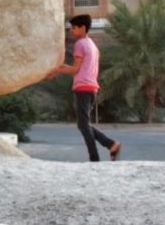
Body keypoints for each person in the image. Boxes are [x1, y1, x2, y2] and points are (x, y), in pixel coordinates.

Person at [47, 14, 122, 162]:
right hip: (91, 87)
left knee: (83, 124)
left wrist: (59, 70)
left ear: (83, 28)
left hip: (83, 87)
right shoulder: (92, 45)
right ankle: (111, 145)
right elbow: (81, 68)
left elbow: (75, 69)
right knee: (83, 124)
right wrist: (59, 69)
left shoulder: (80, 44)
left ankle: (95, 157)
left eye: (74, 28)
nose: (71, 31)